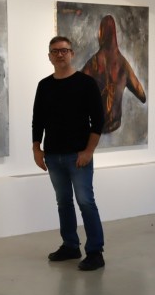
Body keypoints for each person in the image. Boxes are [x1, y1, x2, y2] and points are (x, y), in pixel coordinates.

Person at [32, 36, 105, 271]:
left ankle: (95, 252)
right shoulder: (44, 85)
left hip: (78, 156)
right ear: (49, 56)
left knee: (85, 201)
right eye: (55, 51)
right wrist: (36, 149)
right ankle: (71, 246)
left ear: (72, 53)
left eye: (64, 50)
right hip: (53, 155)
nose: (60, 54)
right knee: (63, 202)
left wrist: (88, 151)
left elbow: (98, 121)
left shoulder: (86, 83)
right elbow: (38, 120)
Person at [80, 14, 146, 133]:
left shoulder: (91, 64)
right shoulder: (123, 64)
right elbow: (141, 94)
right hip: (116, 125)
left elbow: (75, 90)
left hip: (96, 127)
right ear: (114, 35)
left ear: (100, 34)